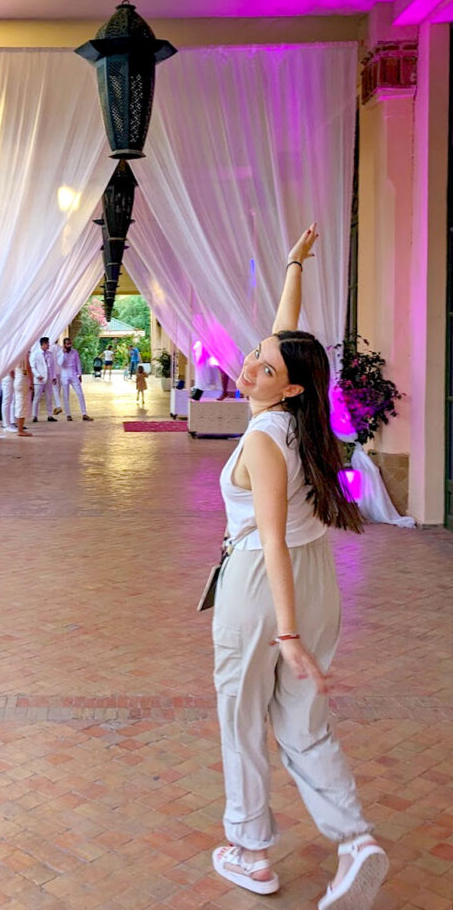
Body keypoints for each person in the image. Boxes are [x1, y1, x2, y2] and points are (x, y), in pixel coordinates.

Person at [210, 225, 388, 908]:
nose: (250, 365)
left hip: (265, 586)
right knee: (303, 724)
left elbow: (273, 541)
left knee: (241, 714)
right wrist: (293, 266)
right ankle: (356, 841)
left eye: (264, 368)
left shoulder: (263, 438)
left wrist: (284, 634)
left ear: (284, 390)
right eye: (255, 355)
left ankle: (250, 853)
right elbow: (286, 339)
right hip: (319, 583)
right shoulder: (304, 420)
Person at [58, 338, 93, 422]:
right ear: (64, 345)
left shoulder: (75, 352)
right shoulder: (60, 353)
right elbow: (60, 363)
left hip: (73, 374)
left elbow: (78, 363)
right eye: (67, 344)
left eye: (70, 343)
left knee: (80, 394)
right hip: (64, 375)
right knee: (66, 396)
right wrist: (63, 353)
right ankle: (68, 415)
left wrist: (80, 374)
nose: (69, 345)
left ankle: (84, 414)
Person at [30, 337, 58, 423]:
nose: (48, 345)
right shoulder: (35, 354)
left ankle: (49, 415)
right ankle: (35, 415)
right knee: (37, 398)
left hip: (49, 378)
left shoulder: (50, 353)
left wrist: (54, 377)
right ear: (43, 344)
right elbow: (33, 366)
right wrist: (38, 375)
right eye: (47, 343)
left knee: (49, 397)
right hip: (39, 379)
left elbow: (52, 366)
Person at [12, 352, 33, 436]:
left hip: (17, 378)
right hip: (23, 379)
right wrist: (32, 381)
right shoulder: (23, 354)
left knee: (19, 403)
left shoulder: (15, 354)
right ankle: (20, 429)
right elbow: (28, 367)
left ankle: (19, 427)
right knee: (22, 404)